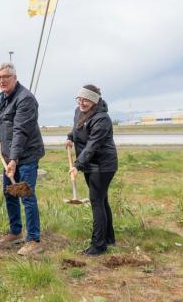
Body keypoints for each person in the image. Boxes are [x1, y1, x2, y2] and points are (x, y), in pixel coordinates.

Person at [0, 62, 45, 256]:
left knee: (26, 196)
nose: (2, 81)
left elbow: (20, 130)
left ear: (15, 77)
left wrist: (13, 159)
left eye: (6, 77)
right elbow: (1, 119)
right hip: (9, 155)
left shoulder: (25, 99)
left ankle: (34, 240)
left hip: (27, 155)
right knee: (9, 193)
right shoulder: (4, 97)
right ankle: (16, 232)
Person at [65, 84, 118, 255]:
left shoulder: (102, 119)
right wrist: (70, 137)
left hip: (103, 166)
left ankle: (98, 245)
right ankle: (108, 238)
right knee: (102, 200)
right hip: (90, 164)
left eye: (86, 99)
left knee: (96, 201)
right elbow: (77, 128)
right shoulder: (78, 111)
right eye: (79, 98)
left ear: (94, 101)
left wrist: (77, 166)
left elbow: (92, 146)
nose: (81, 102)